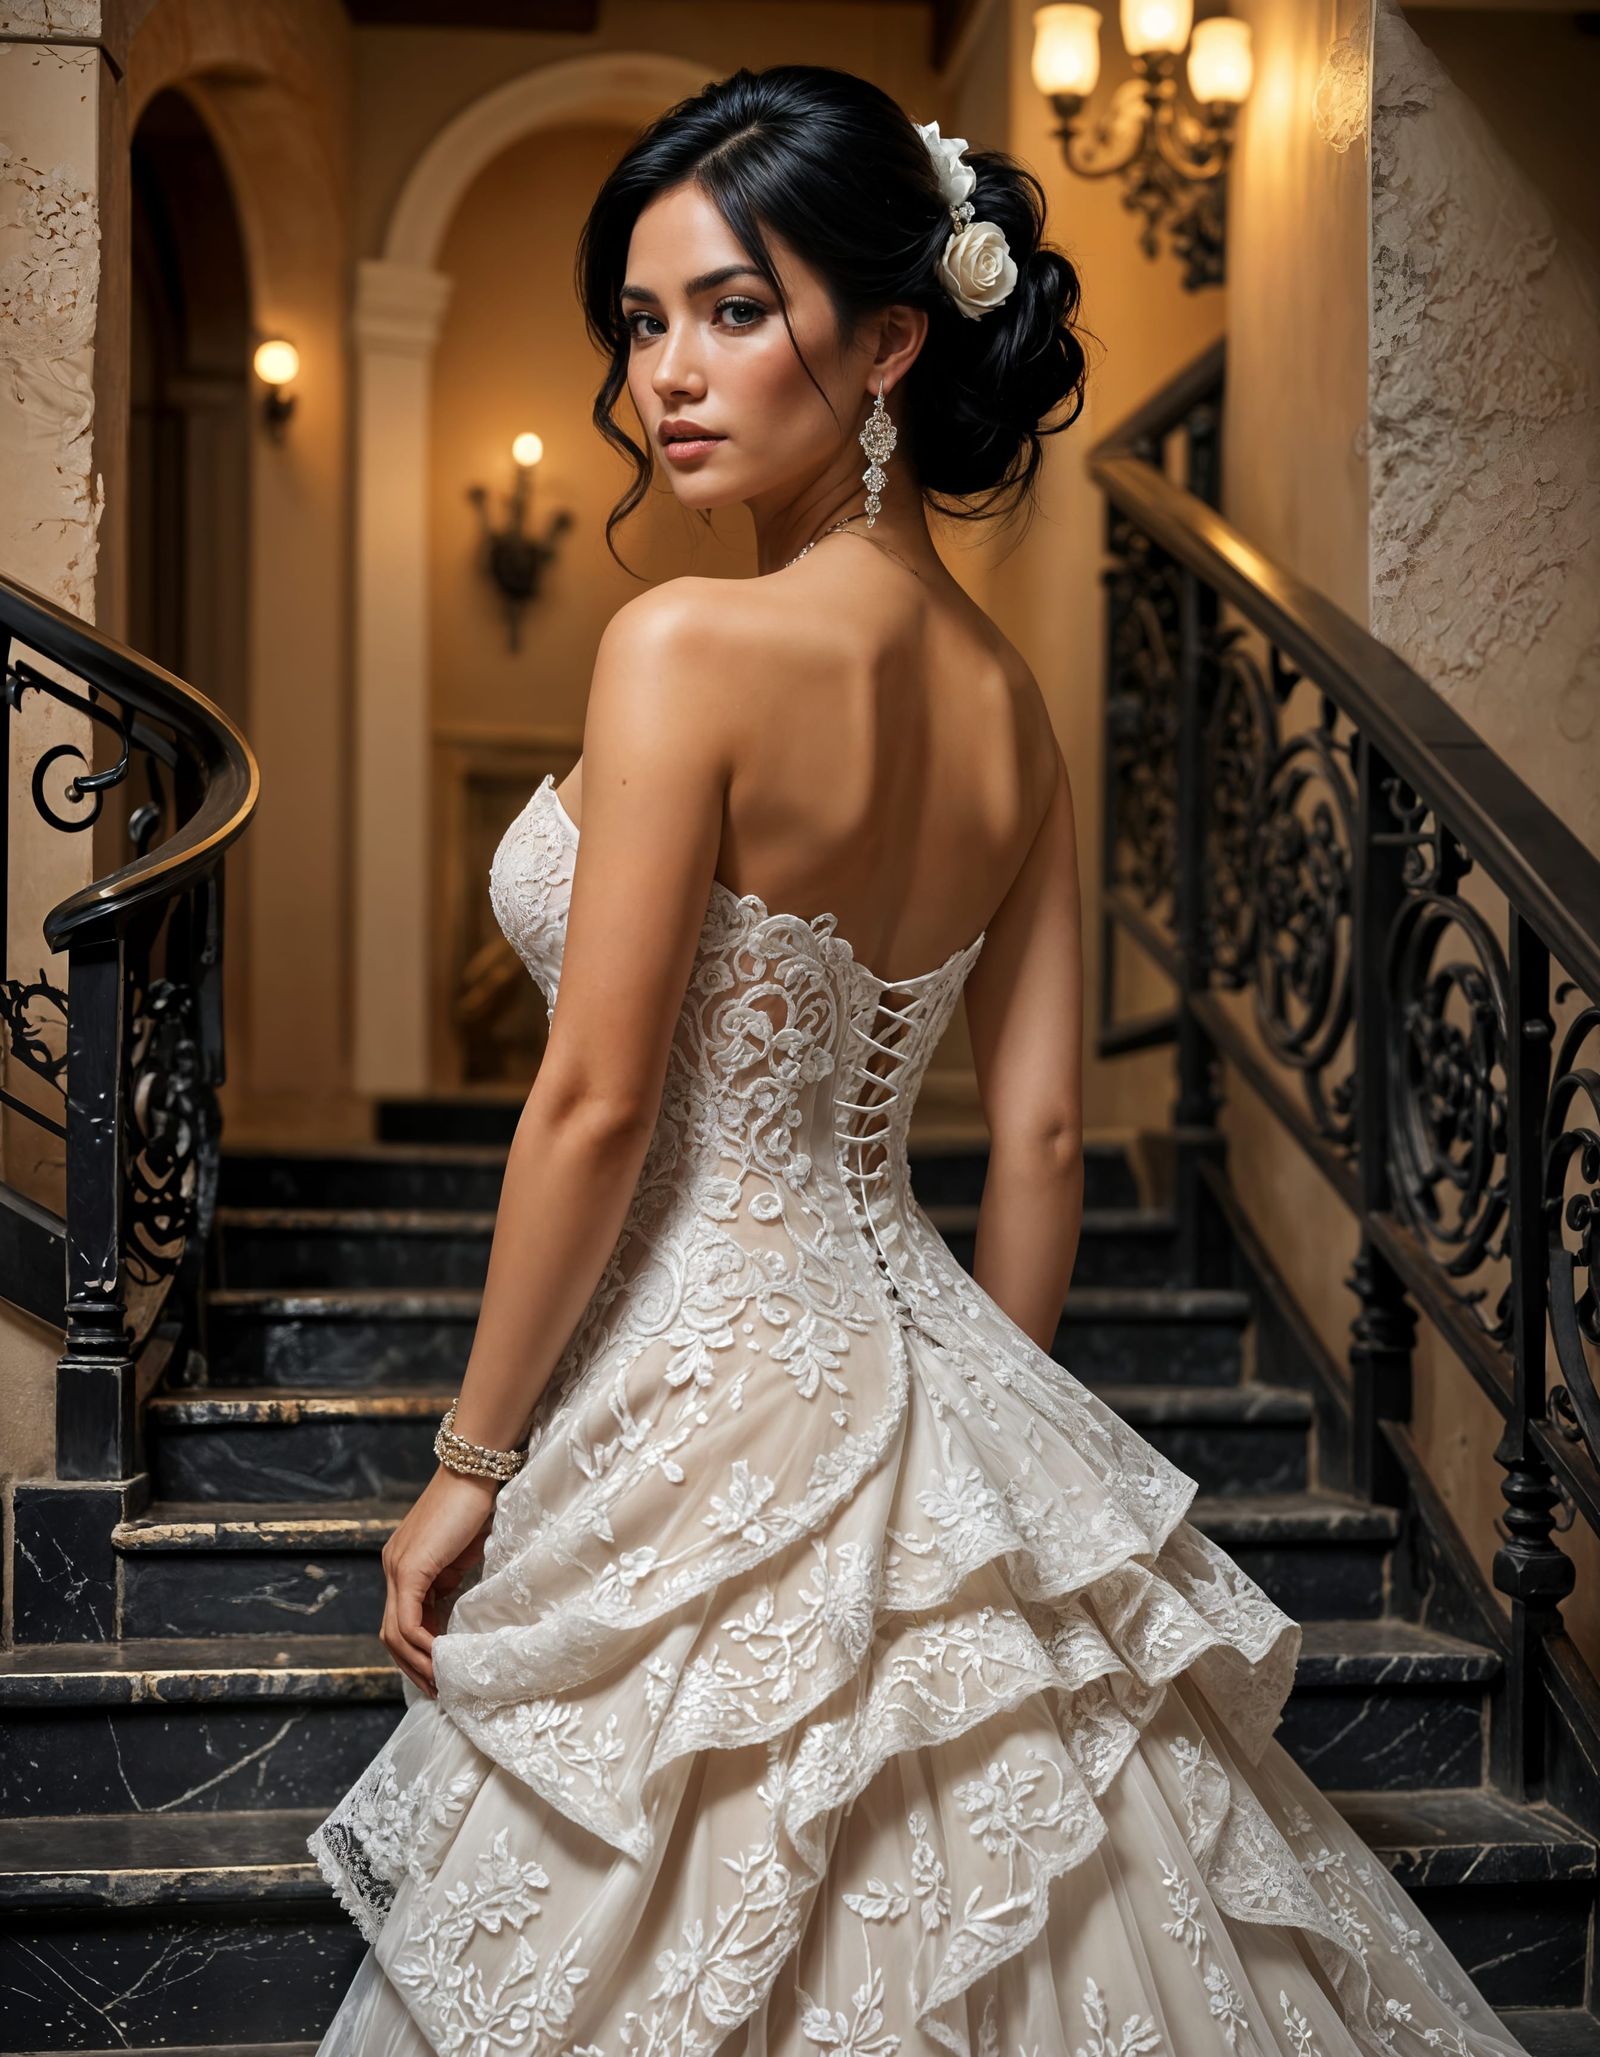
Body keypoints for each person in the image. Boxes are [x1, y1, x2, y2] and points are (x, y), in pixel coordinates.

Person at [310, 63, 1530, 2057]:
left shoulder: (684, 651)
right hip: (935, 1361)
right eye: (637, 321)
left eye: (727, 308)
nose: (663, 378)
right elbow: (1034, 1134)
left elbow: (603, 1102)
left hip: (701, 1381)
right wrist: (978, 1459)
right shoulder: (1013, 712)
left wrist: (467, 1462)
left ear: (886, 343)